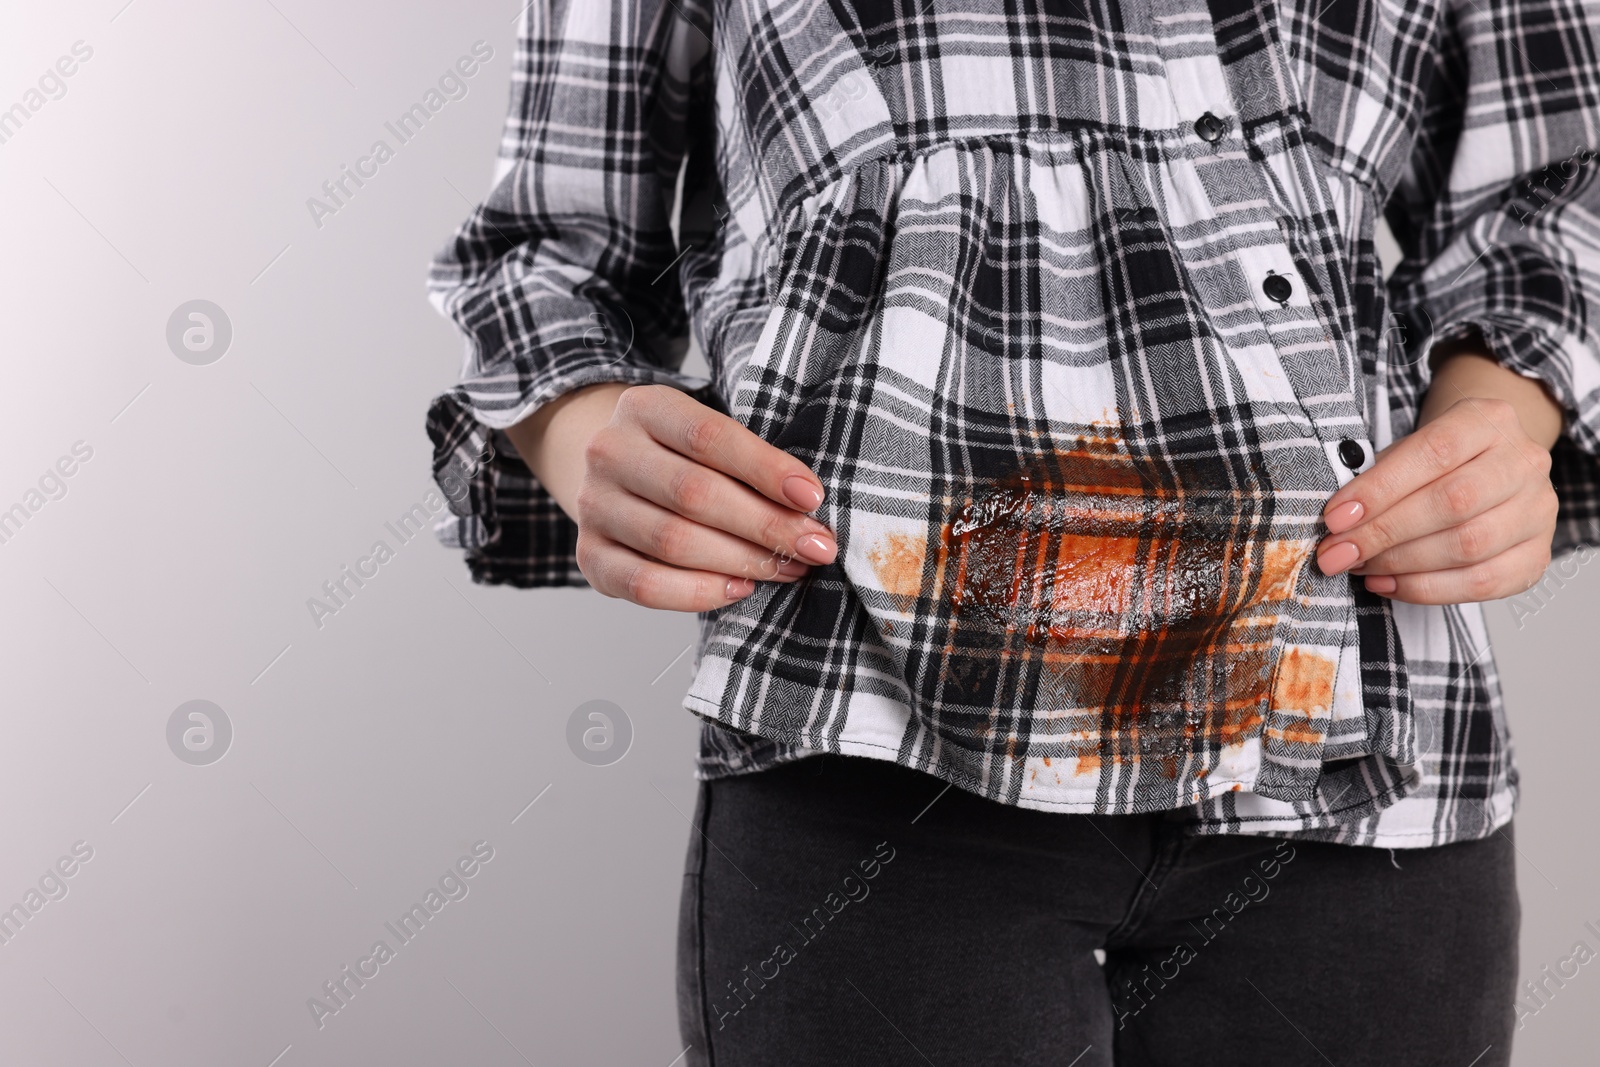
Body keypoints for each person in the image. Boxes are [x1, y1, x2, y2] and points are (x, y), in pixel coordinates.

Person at [424, 0, 1598, 1062]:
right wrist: (590, 443)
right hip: (870, 735)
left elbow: (1558, 188)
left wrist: (1501, 419)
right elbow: (549, 249)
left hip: (1365, 734)